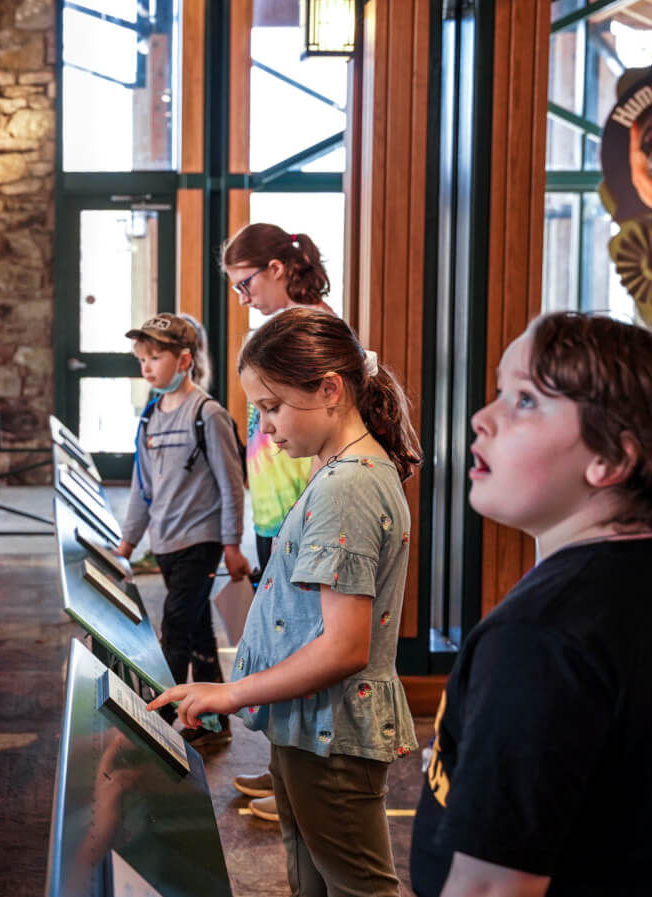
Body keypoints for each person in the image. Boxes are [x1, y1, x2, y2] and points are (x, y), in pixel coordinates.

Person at [409, 312, 652, 897]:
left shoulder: (539, 637)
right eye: (498, 393)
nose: (481, 419)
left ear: (612, 459)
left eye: (525, 401)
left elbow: (491, 886)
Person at [149, 307, 422, 896]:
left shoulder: (349, 483)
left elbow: (345, 646)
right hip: (310, 725)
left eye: (272, 407)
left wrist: (230, 692)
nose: (266, 427)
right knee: (311, 877)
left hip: (332, 732)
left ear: (329, 390)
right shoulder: (336, 469)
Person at [218, 222, 329, 815]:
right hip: (272, 512)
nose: (243, 297)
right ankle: (281, 769)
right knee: (279, 641)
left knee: (301, 644)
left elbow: (325, 427)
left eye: (245, 284)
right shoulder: (280, 327)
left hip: (298, 509)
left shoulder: (313, 330)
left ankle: (297, 788)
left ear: (277, 269)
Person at [116, 313, 251, 745]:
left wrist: (231, 545)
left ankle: (156, 724)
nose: (148, 367)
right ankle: (213, 724)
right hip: (167, 543)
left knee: (174, 629)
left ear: (185, 360)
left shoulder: (207, 415)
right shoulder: (149, 418)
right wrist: (128, 542)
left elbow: (232, 486)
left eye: (156, 357)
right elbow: (143, 487)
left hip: (202, 543)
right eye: (143, 359)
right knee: (195, 632)